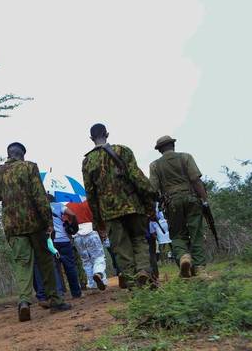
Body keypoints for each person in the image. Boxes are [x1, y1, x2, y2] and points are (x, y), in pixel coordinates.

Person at [0, 142, 71, 321]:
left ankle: (24, 302)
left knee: (22, 263)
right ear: (23, 155)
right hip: (35, 223)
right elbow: (39, 195)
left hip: (13, 225)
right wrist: (48, 222)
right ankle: (55, 300)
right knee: (45, 262)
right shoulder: (30, 167)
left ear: (8, 154)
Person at [81, 124, 158, 289]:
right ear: (107, 134)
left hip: (110, 213)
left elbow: (90, 194)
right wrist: (150, 200)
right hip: (133, 206)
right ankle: (143, 271)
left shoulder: (87, 161)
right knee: (139, 240)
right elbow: (138, 178)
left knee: (121, 249)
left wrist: (97, 220)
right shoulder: (123, 150)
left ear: (91, 138)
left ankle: (133, 286)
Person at [148, 135, 208, 277]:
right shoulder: (186, 157)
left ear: (159, 150)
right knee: (196, 233)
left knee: (176, 234)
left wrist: (152, 207)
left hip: (171, 203)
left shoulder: (155, 165)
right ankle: (200, 269)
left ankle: (183, 257)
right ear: (173, 145)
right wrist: (204, 200)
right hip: (191, 199)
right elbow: (196, 180)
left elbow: (153, 189)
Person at [47, 193, 82, 298]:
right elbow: (72, 214)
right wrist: (73, 225)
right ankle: (76, 293)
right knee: (70, 267)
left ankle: (59, 294)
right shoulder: (58, 205)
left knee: (54, 269)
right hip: (64, 240)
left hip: (50, 242)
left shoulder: (41, 209)